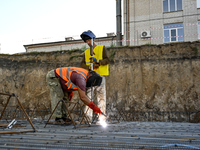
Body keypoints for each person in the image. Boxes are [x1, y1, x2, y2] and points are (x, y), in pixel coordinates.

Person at [80, 30, 109, 122]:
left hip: (100, 77)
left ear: (93, 39)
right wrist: (89, 67)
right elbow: (82, 64)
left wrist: (98, 62)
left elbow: (107, 60)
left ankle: (102, 118)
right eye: (86, 41)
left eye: (89, 40)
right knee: (88, 98)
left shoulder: (101, 48)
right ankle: (88, 118)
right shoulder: (86, 52)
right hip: (91, 77)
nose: (88, 42)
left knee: (101, 98)